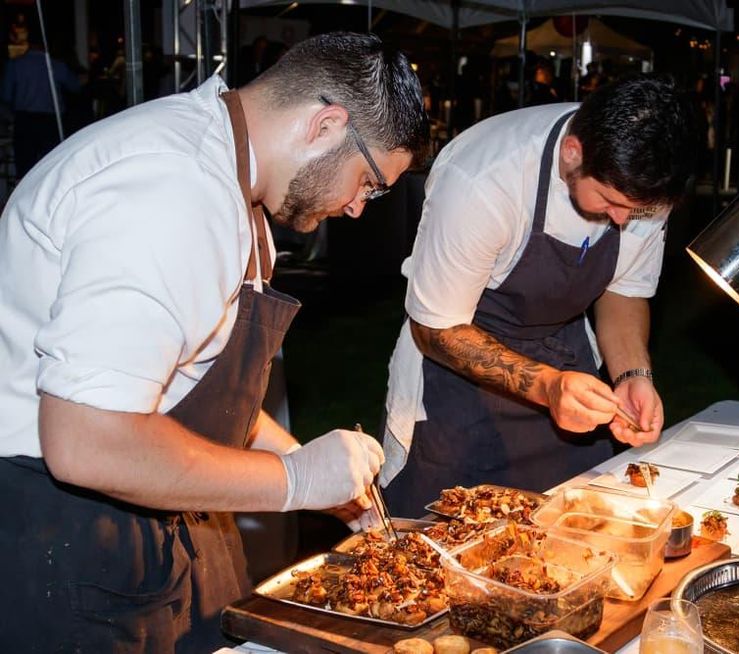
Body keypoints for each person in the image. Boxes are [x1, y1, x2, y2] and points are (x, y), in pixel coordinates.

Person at [0, 32, 427, 652]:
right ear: (326, 125)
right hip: (68, 536)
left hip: (165, 504)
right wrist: (295, 481)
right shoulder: (169, 195)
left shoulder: (236, 181)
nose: (359, 208)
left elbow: (196, 391)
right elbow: (86, 443)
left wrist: (323, 478)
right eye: (368, 183)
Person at [381, 74, 693, 516]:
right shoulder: (485, 179)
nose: (624, 219)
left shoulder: (641, 183)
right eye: (609, 201)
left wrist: (631, 376)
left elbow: (623, 291)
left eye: (639, 210)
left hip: (566, 362)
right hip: (455, 384)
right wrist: (547, 387)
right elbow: (434, 328)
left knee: (577, 535)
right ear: (573, 154)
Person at [0, 20, 82, 179]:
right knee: (49, 167)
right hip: (49, 122)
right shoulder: (55, 65)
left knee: (24, 168)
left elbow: (6, 96)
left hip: (25, 120)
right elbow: (75, 87)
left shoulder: (15, 65)